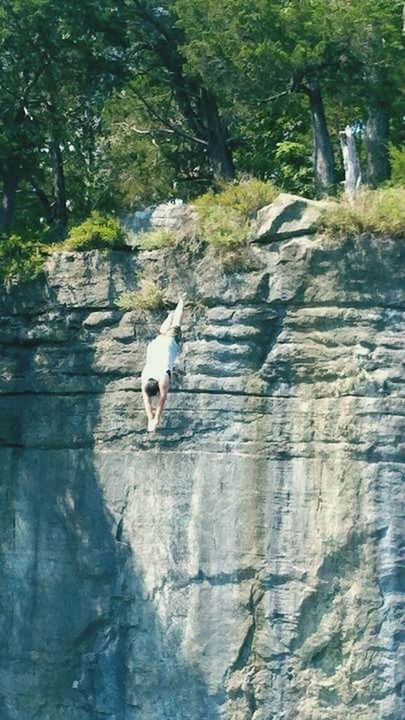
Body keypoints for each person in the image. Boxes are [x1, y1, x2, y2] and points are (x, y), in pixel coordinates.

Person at [141, 295, 185, 432]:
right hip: (155, 345)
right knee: (162, 332)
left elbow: (162, 400)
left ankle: (182, 300)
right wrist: (150, 419)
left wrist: (156, 419)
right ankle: (170, 314)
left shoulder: (163, 378)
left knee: (176, 325)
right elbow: (146, 401)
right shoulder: (145, 378)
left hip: (168, 345)